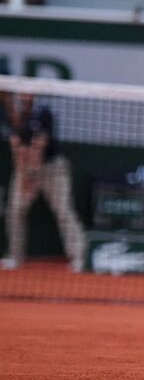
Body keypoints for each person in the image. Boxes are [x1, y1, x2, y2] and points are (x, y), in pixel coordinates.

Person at [1, 92, 86, 272]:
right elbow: (18, 150)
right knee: (15, 211)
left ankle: (79, 256)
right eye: (21, 95)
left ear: (33, 96)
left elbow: (38, 148)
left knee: (63, 211)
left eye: (28, 95)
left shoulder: (43, 113)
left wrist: (32, 176)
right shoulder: (14, 117)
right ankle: (15, 257)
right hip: (24, 168)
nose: (24, 98)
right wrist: (25, 178)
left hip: (52, 169)